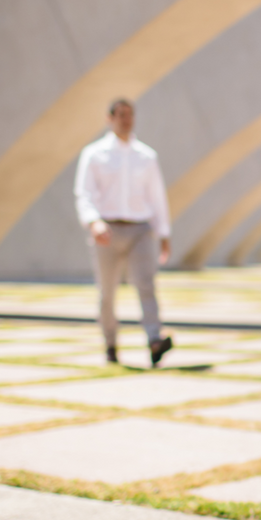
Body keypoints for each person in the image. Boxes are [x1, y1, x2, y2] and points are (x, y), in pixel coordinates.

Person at [74, 98, 173, 366]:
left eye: (130, 115)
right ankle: (110, 344)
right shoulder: (94, 154)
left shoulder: (146, 156)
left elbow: (157, 197)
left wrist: (163, 234)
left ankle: (154, 340)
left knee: (146, 285)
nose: (126, 119)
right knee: (107, 292)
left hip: (140, 229)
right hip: (106, 230)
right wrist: (93, 222)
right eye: (120, 115)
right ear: (110, 119)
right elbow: (84, 194)